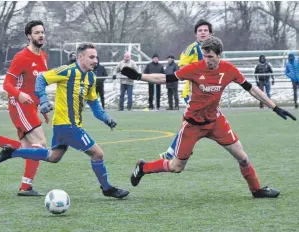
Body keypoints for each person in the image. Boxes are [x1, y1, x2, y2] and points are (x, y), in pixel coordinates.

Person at [121, 36, 296, 198]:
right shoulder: (195, 68)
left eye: (210, 56)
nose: (207, 60)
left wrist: (274, 107)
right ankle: (144, 167)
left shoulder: (229, 69)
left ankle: (257, 190)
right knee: (176, 167)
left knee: (242, 158)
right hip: (192, 124)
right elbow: (164, 78)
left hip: (215, 122)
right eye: (204, 56)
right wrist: (139, 76)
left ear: (219, 55)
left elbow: (251, 88)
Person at [0, 43, 129, 199]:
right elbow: (41, 78)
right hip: (67, 126)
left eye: (96, 57)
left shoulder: (91, 77)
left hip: (66, 126)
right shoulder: (68, 71)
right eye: (91, 57)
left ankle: (12, 152)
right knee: (97, 154)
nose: (95, 60)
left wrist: (106, 118)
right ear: (80, 57)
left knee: (53, 157)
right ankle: (107, 188)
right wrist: (43, 100)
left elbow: (94, 104)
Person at [0, 20, 49, 196]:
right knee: (41, 145)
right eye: (37, 32)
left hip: (31, 106)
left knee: (28, 147)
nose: (41, 35)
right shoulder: (21, 57)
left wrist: (42, 106)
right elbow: (6, 84)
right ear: (29, 36)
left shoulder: (43, 56)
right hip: (19, 105)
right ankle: (24, 184)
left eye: (42, 32)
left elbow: (39, 84)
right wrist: (19, 94)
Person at [159, 19, 212, 159]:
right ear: (196, 35)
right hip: (192, 94)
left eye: (205, 30)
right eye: (200, 31)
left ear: (210, 33)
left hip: (210, 94)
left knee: (195, 124)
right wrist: (199, 74)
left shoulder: (214, 49)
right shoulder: (191, 49)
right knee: (191, 124)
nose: (203, 33)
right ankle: (173, 152)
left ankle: (180, 149)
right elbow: (183, 68)